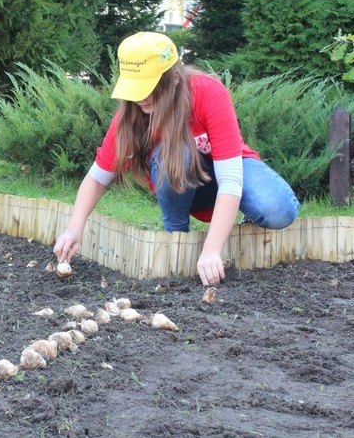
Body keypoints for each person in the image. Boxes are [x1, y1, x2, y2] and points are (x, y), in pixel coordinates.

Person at [54, 32, 299, 286]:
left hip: (229, 172)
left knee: (278, 210)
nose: (140, 98)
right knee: (174, 153)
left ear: (173, 78)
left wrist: (212, 250)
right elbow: (97, 177)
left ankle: (236, 224)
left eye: (148, 88)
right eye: (135, 89)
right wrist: (75, 227)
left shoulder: (208, 93)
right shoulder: (132, 116)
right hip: (182, 180)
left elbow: (231, 177)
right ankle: (176, 239)